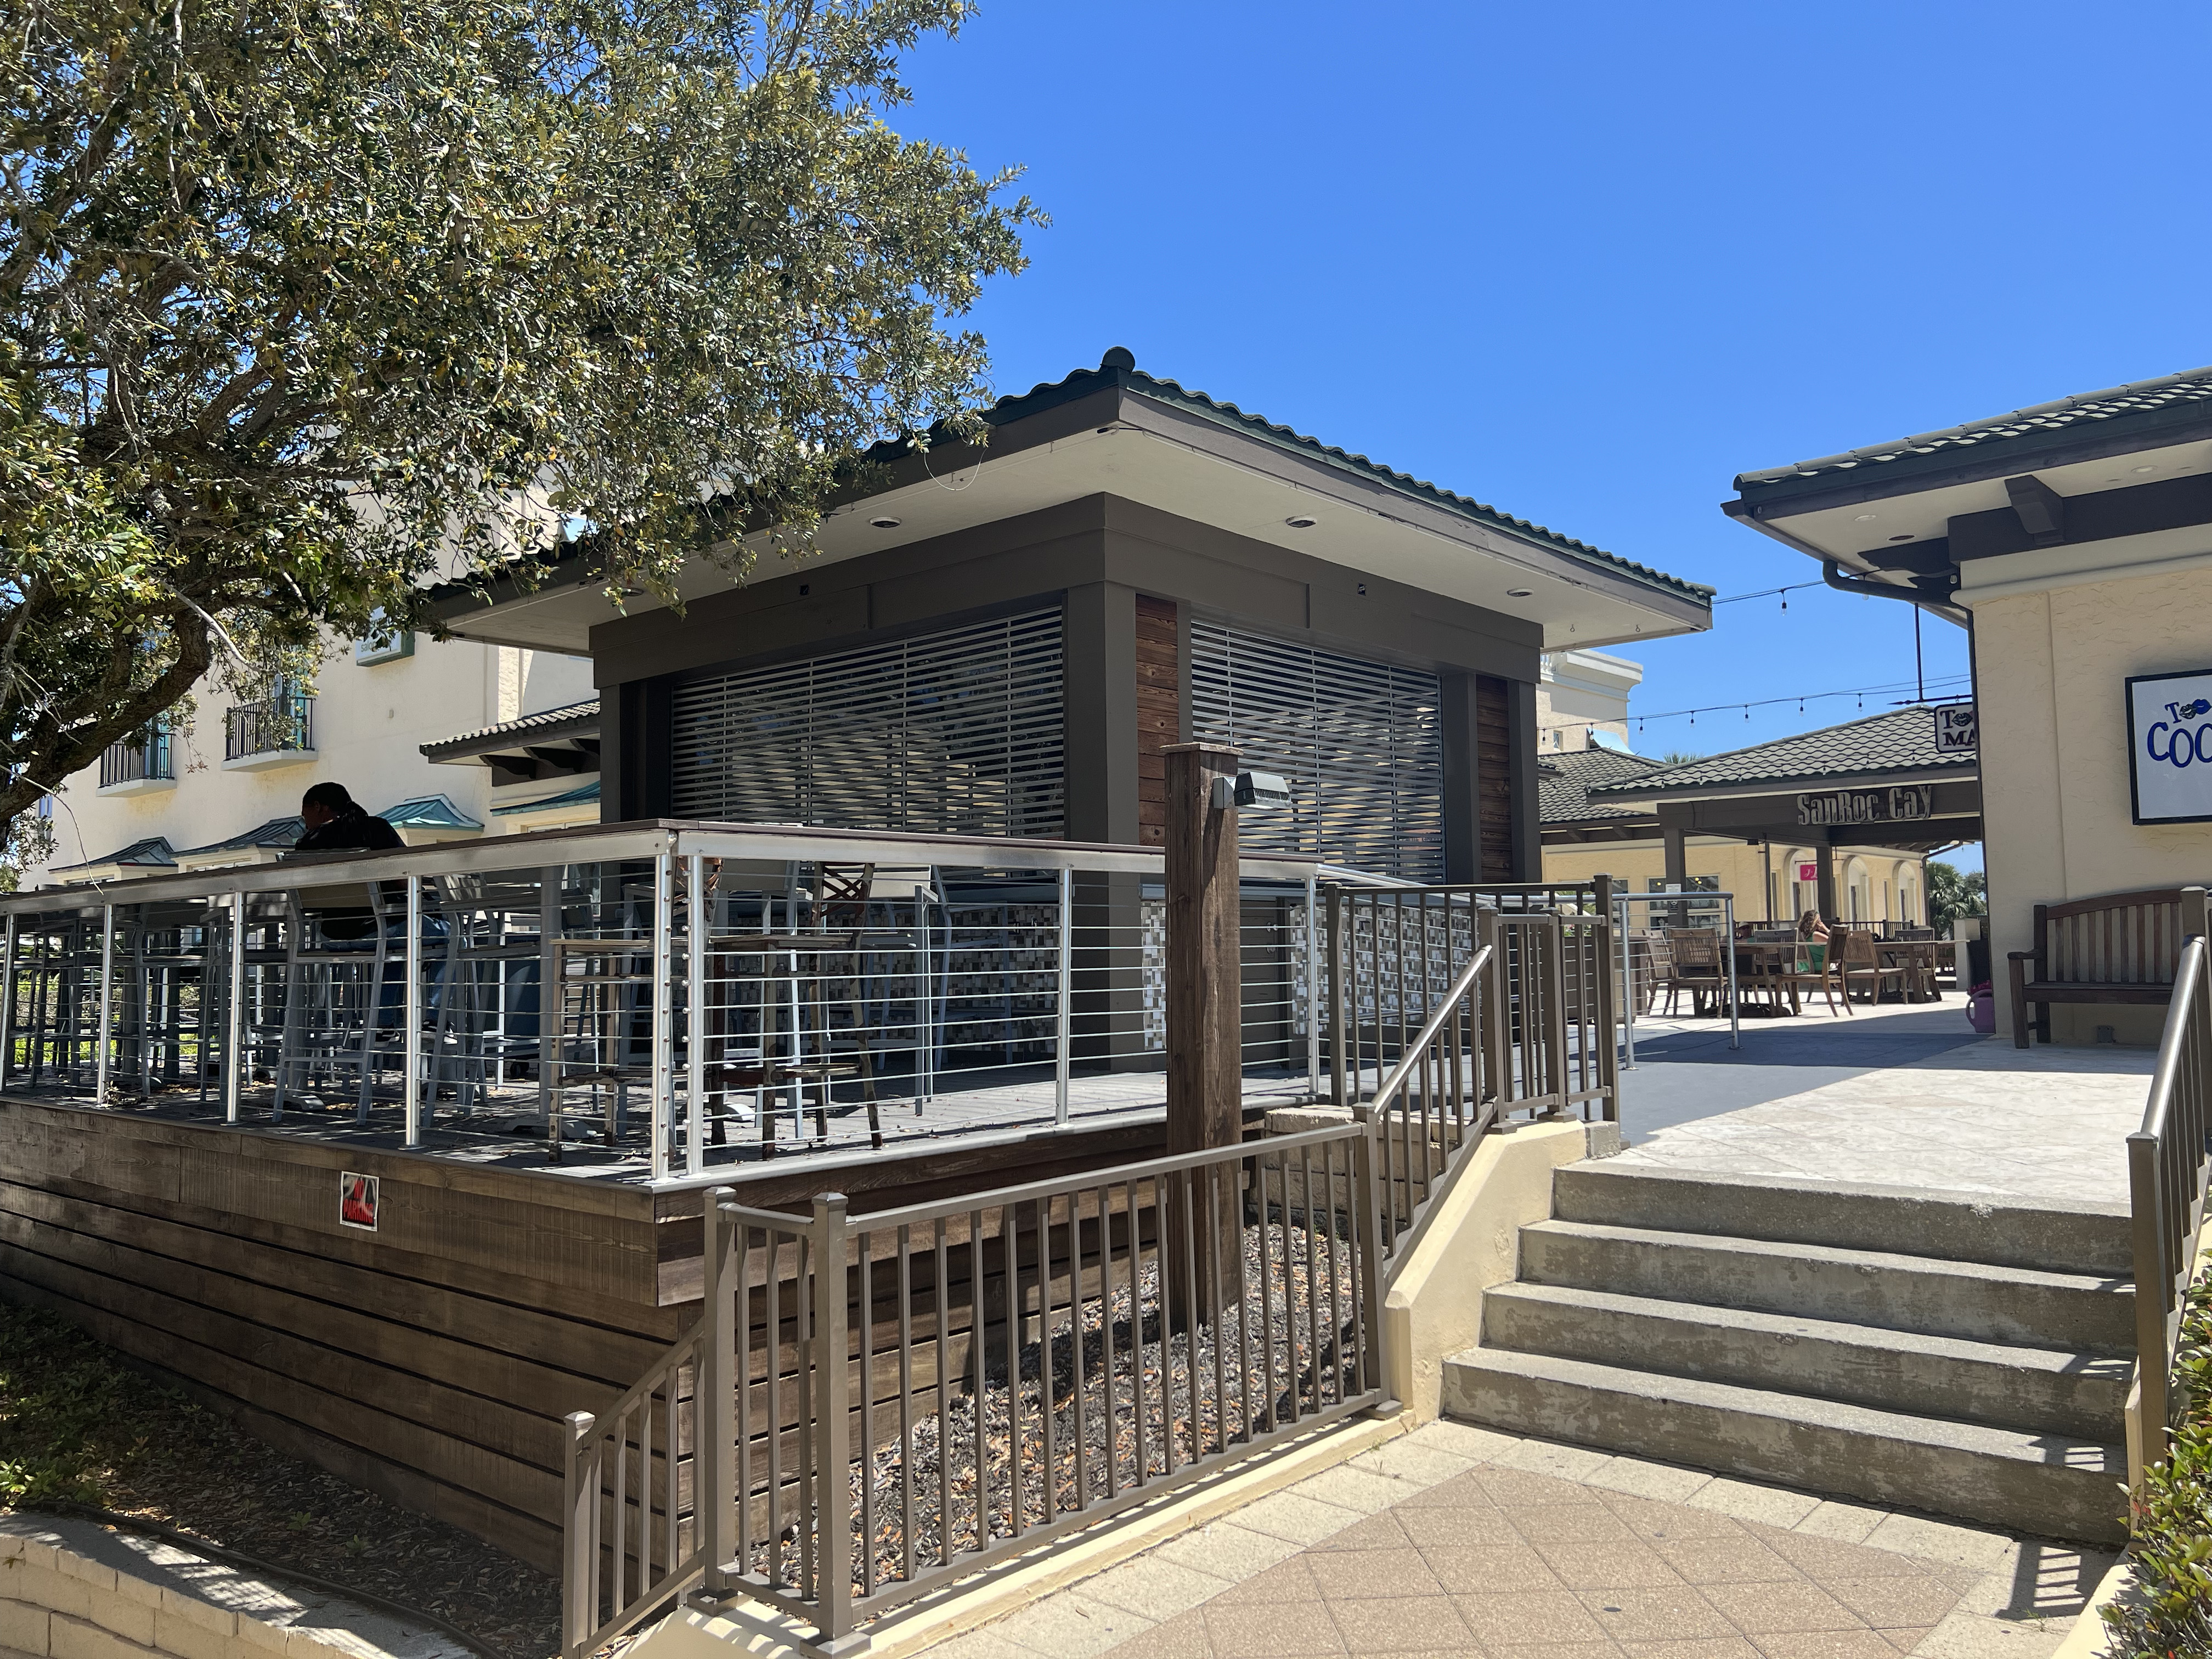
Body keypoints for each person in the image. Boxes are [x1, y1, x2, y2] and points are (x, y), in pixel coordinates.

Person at [293, 782, 403, 853]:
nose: (306, 826)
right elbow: (404, 872)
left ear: (317, 806)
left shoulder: (309, 843)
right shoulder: (380, 828)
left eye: (305, 815)